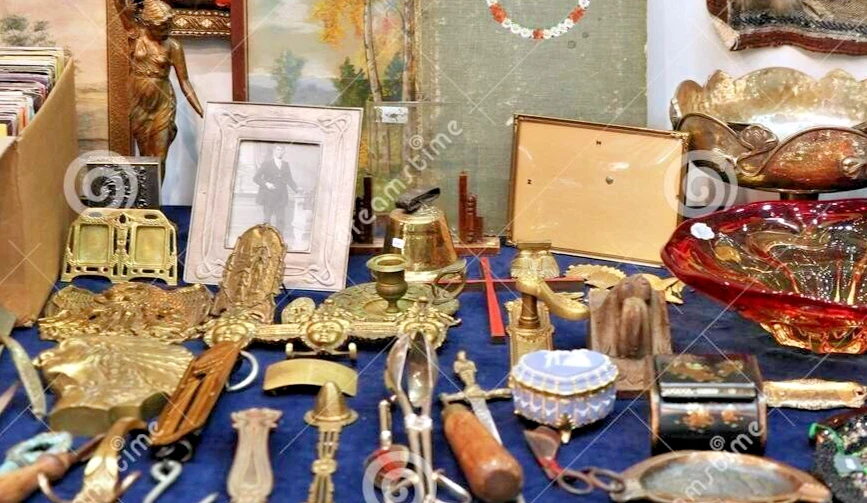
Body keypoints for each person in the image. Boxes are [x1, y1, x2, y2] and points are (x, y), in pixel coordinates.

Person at [114, 0, 204, 177]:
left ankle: (157, 194)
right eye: (161, 27)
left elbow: (184, 81)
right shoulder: (135, 35)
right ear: (148, 23)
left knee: (160, 158)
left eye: (168, 26)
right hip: (138, 101)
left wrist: (201, 110)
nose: (167, 31)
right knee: (145, 157)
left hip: (163, 102)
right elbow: (118, 5)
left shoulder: (173, 47)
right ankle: (149, 194)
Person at [253, 144, 299, 232]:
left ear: (284, 152)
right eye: (278, 150)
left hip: (281, 196)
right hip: (268, 196)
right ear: (274, 151)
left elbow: (289, 179)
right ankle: (266, 238)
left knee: (281, 220)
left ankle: (279, 238)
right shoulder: (266, 164)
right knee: (267, 220)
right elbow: (256, 178)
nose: (280, 152)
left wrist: (297, 189)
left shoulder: (286, 164)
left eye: (282, 150)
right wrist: (267, 184)